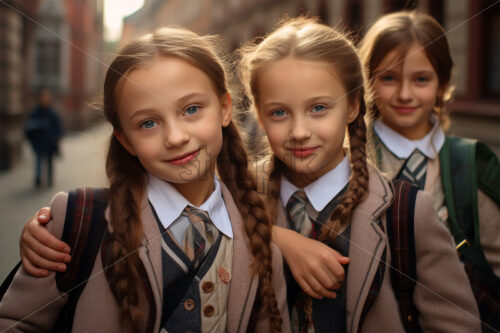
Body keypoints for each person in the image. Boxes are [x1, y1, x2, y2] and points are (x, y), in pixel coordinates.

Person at [0, 26, 289, 332]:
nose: (176, 137)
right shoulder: (76, 222)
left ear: (225, 109)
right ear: (126, 141)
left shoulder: (263, 246)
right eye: (148, 123)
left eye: (191, 109)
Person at [238, 17, 480, 331]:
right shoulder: (233, 197)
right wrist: (278, 238)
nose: (299, 132)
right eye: (279, 112)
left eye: (319, 108)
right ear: (258, 113)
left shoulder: (406, 213)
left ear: (353, 105)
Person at [358, 10, 500, 331]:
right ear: (367, 81)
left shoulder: (470, 163)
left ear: (443, 84)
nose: (405, 94)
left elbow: (493, 266)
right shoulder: (347, 158)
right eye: (388, 78)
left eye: (421, 79)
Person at [25, 88, 64, 187]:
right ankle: (38, 179)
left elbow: (58, 127)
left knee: (50, 162)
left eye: (46, 96)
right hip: (39, 142)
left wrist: (57, 138)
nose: (44, 99)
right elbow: (29, 127)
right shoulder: (35, 112)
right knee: (38, 161)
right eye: (43, 96)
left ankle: (50, 180)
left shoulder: (52, 113)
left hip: (50, 143)